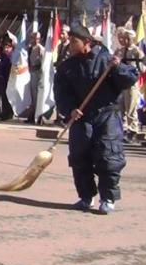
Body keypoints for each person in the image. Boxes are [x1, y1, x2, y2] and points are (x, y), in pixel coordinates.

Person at [54, 25, 139, 214]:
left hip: (107, 115)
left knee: (108, 157)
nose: (70, 45)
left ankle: (108, 198)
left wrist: (117, 67)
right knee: (79, 157)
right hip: (81, 116)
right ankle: (86, 197)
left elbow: (131, 78)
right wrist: (70, 110)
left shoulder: (106, 60)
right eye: (69, 40)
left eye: (74, 41)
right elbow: (61, 92)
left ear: (87, 42)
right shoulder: (67, 67)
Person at [114, 28, 146, 144]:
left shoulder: (137, 51)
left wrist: (136, 71)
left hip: (132, 83)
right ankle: (121, 129)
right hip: (122, 82)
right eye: (125, 38)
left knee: (131, 108)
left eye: (128, 38)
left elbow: (143, 66)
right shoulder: (121, 51)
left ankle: (133, 130)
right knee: (121, 107)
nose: (125, 40)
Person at [27, 31, 46, 124]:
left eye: (37, 38)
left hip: (37, 74)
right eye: (33, 38)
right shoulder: (30, 48)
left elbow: (43, 62)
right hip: (30, 73)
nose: (35, 40)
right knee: (31, 96)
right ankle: (31, 115)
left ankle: (38, 117)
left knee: (37, 97)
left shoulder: (40, 48)